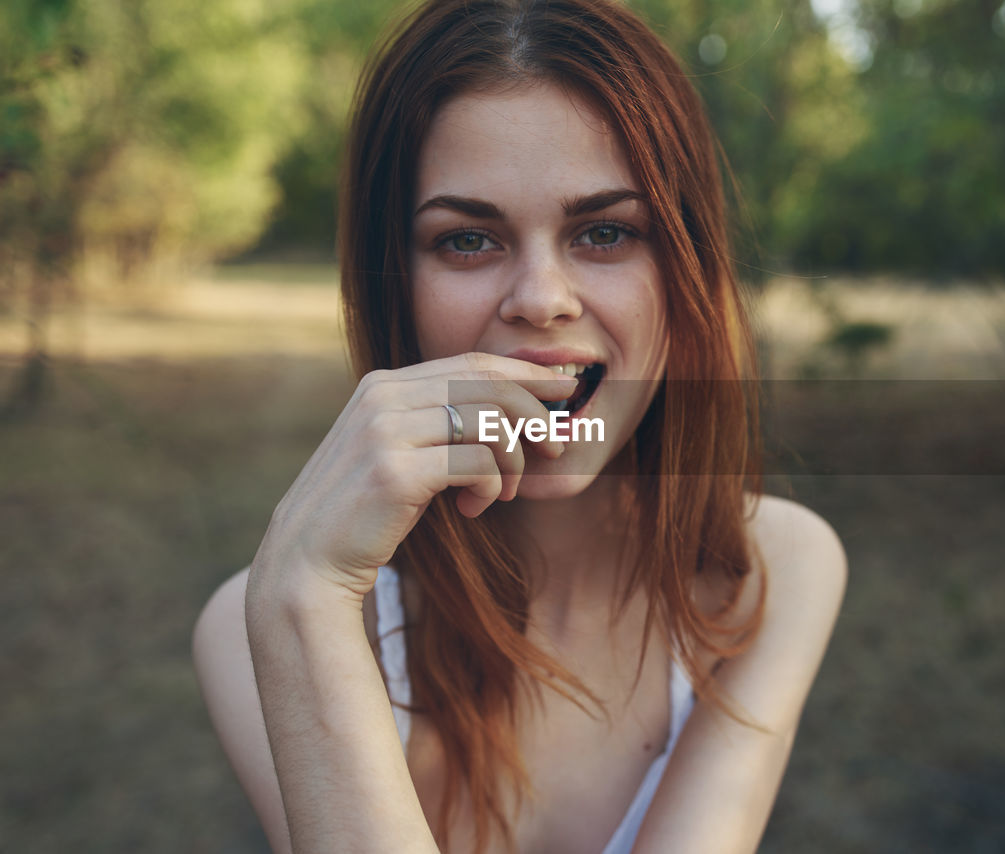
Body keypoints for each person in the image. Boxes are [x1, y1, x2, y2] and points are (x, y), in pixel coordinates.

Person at [191, 0, 846, 851]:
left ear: (687, 268)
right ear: (396, 287)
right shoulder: (267, 619)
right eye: (467, 241)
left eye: (605, 232)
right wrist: (305, 598)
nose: (541, 299)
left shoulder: (771, 572)